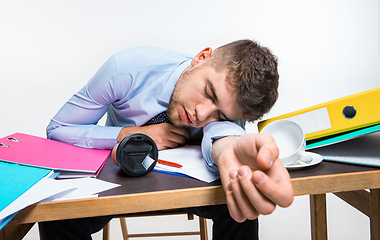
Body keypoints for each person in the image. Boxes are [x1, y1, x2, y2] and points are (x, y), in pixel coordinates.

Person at [40, 39, 294, 240]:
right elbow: (59, 128)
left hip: (187, 182)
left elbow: (224, 139)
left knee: (239, 194)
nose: (201, 115)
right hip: (120, 177)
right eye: (208, 92)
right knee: (56, 213)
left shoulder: (232, 106)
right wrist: (126, 134)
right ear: (201, 57)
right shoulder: (127, 69)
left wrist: (231, 146)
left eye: (219, 114)